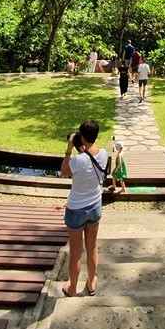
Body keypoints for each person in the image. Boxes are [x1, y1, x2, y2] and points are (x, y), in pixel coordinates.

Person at [61, 120, 108, 297]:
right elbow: (91, 160)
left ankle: (72, 287)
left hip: (76, 208)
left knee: (75, 252)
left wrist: (68, 149)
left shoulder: (78, 161)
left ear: (81, 137)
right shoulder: (103, 154)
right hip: (95, 205)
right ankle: (91, 283)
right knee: (92, 246)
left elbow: (64, 171)